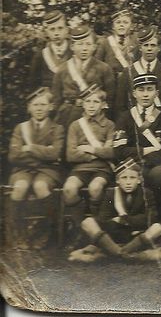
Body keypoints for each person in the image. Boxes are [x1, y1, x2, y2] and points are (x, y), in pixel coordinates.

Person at [113, 73, 161, 229]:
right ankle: (132, 226)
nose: (146, 94)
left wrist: (139, 156)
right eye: (141, 90)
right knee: (131, 176)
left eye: (150, 89)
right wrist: (145, 150)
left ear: (157, 93)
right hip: (133, 166)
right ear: (134, 93)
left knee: (159, 176)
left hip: (158, 166)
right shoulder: (125, 117)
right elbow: (119, 151)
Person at [7, 87, 64, 249]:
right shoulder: (21, 128)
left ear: (50, 107)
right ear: (29, 108)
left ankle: (46, 234)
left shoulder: (57, 128)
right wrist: (42, 154)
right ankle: (18, 236)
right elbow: (13, 155)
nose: (39, 109)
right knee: (19, 187)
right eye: (35, 105)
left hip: (48, 171)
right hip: (23, 170)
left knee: (40, 186)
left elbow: (55, 154)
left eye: (43, 105)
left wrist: (30, 147)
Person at [62, 84, 115, 246]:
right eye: (88, 101)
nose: (91, 105)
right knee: (69, 189)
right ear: (82, 104)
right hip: (80, 168)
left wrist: (89, 149)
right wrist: (98, 152)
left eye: (95, 102)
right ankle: (81, 228)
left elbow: (111, 153)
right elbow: (70, 155)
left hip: (102, 169)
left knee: (95, 187)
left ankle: (96, 227)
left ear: (103, 104)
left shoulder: (110, 125)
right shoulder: (75, 126)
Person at [78, 159, 161, 257]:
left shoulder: (146, 193)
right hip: (114, 237)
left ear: (139, 180)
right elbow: (103, 218)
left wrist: (123, 219)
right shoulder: (111, 193)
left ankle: (120, 252)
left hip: (136, 237)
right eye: (124, 178)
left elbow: (150, 218)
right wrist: (132, 221)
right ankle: (121, 252)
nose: (128, 182)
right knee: (88, 222)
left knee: (157, 228)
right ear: (117, 180)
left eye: (132, 178)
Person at [51, 24, 115, 128]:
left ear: (94, 47)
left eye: (88, 44)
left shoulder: (104, 68)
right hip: (68, 117)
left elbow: (110, 99)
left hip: (95, 118)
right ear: (72, 46)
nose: (84, 48)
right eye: (80, 44)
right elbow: (56, 99)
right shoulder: (62, 69)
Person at [114, 25, 161, 115]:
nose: (149, 49)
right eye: (146, 45)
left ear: (159, 48)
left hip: (160, 123)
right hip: (134, 123)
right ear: (140, 48)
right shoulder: (128, 72)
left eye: (153, 45)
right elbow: (120, 106)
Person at [29, 9, 72, 88]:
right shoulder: (42, 53)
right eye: (52, 29)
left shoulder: (74, 50)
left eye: (60, 28)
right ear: (47, 32)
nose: (56, 33)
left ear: (67, 30)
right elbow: (34, 79)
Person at [94, 8, 138, 74]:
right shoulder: (105, 43)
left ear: (131, 26)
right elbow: (96, 64)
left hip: (130, 81)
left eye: (125, 22)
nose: (121, 25)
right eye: (118, 22)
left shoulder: (136, 42)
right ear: (113, 26)